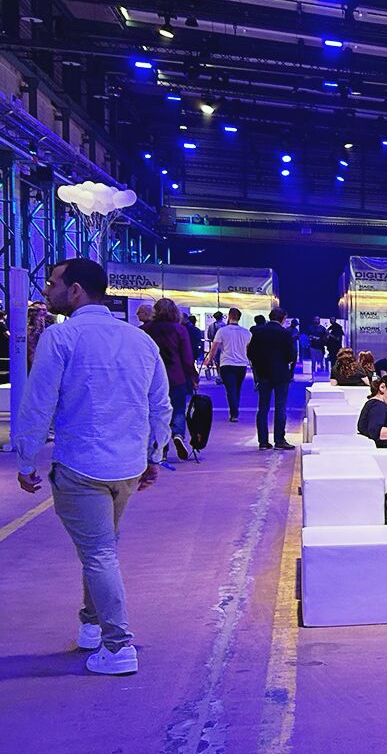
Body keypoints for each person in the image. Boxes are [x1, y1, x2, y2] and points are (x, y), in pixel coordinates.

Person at [14, 259, 170, 676]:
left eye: (52, 283)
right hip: (128, 466)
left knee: (99, 552)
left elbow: (38, 402)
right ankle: (91, 624)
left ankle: (118, 647)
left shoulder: (60, 337)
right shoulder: (140, 340)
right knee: (101, 547)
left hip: (81, 465)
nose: (46, 291)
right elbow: (160, 404)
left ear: (76, 290)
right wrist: (155, 455)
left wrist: (26, 458)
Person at [142, 297, 196, 461]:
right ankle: (178, 434)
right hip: (176, 376)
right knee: (178, 409)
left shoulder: (145, 330)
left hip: (152, 377)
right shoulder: (180, 330)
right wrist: (193, 376)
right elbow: (187, 357)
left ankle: (161, 449)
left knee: (155, 412)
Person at [247, 307, 297, 450]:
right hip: (281, 374)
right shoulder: (285, 333)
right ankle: (279, 440)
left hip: (263, 373)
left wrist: (259, 365)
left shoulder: (258, 332)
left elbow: (250, 353)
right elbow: (291, 355)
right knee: (280, 407)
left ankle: (263, 442)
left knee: (263, 408)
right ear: (283, 319)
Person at [204, 306, 252, 422]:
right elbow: (249, 349)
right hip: (241, 364)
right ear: (239, 317)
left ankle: (234, 413)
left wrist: (209, 359)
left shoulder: (222, 331)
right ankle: (235, 411)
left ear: (229, 317)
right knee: (237, 389)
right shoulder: (246, 332)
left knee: (230, 389)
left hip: (226, 363)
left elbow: (214, 348)